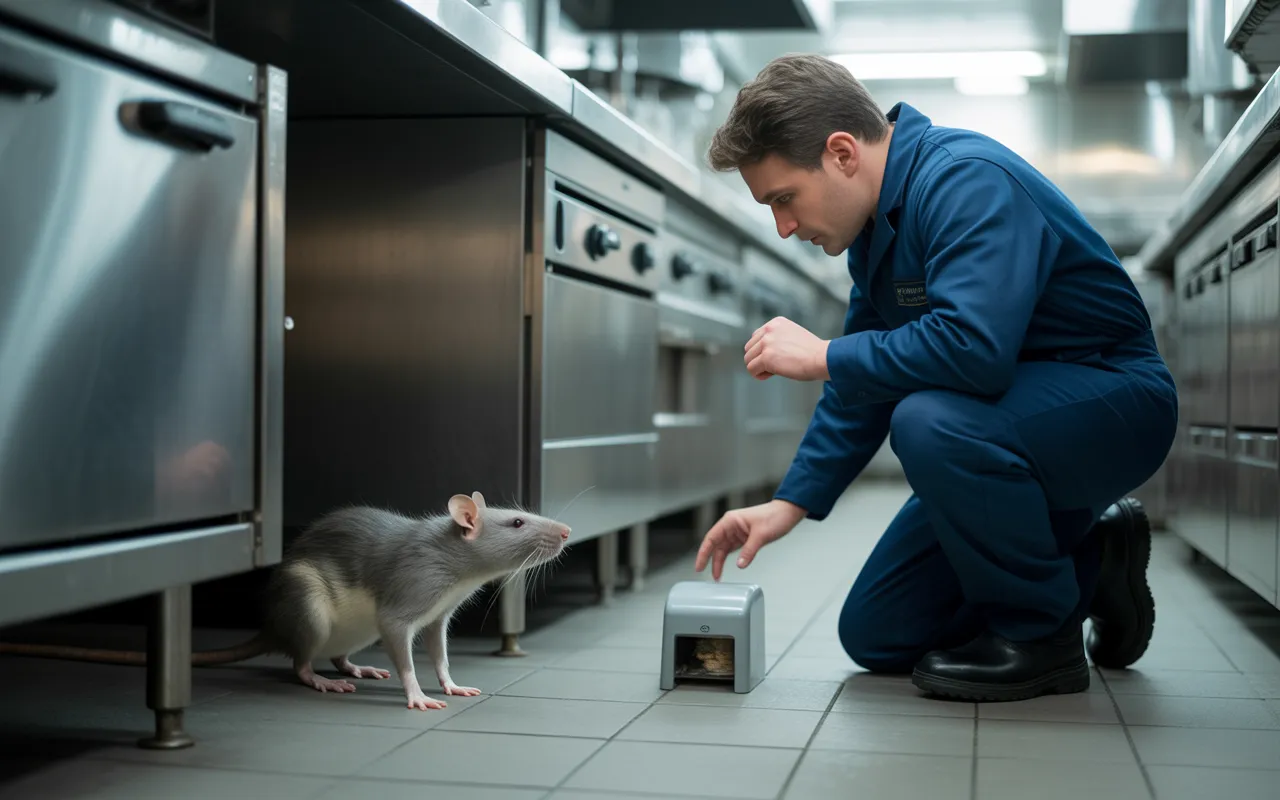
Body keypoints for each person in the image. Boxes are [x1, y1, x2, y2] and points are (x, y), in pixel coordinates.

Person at [693, 54, 1177, 702]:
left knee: (926, 419)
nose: (784, 228)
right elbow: (865, 387)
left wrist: (825, 355)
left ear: (841, 154)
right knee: (878, 632)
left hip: (1112, 399)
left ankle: (1042, 638)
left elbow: (974, 349)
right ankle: (1096, 561)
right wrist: (790, 504)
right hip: (1008, 422)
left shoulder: (963, 180)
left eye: (785, 199)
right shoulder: (876, 232)